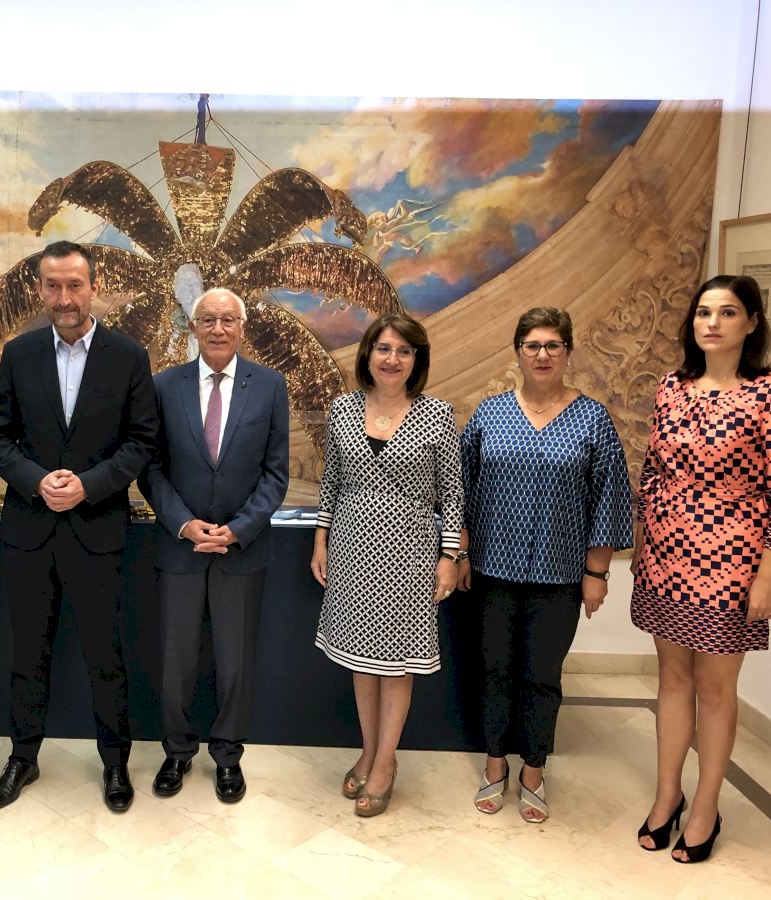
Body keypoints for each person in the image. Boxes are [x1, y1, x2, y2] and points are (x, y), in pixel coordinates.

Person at [0, 240, 158, 813]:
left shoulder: (128, 356)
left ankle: (115, 762)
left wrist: (89, 484)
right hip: (30, 530)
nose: (64, 297)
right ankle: (23, 757)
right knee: (27, 653)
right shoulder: (19, 353)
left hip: (97, 529)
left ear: (93, 287)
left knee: (106, 655)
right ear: (40, 291)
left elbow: (141, 441)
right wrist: (37, 481)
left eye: (74, 285)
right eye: (53, 286)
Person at [632, 275, 771, 863]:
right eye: (704, 312)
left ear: (751, 323)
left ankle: (706, 806)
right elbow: (653, 468)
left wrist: (769, 575)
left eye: (728, 313)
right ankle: (667, 796)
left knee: (715, 687)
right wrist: (644, 534)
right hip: (665, 551)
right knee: (672, 680)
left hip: (732, 556)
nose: (712, 323)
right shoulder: (672, 387)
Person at [458, 307, 632, 823]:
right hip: (492, 570)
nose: (542, 354)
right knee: (494, 669)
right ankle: (495, 763)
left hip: (559, 576)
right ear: (517, 352)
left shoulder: (593, 420)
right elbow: (461, 489)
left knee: (542, 676)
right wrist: (461, 553)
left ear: (568, 353)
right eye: (532, 345)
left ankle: (534, 768)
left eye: (553, 345)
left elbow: (609, 501)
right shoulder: (489, 415)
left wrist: (597, 574)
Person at [310, 313, 463, 817]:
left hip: (410, 557)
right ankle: (369, 750)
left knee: (397, 664)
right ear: (368, 355)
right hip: (351, 552)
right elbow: (331, 483)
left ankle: (385, 763)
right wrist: (320, 539)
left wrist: (449, 557)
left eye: (403, 351)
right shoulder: (343, 409)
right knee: (361, 661)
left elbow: (453, 495)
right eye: (384, 348)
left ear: (416, 360)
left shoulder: (437, 415)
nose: (392, 359)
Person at [140, 288, 289, 804]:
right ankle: (177, 751)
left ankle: (228, 755)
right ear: (193, 327)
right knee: (175, 659)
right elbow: (151, 468)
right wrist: (183, 524)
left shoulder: (269, 386)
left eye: (228, 320)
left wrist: (240, 528)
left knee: (236, 659)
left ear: (242, 328)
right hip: (179, 548)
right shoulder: (164, 386)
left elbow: (276, 473)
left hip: (241, 549)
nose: (218, 329)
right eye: (208, 320)